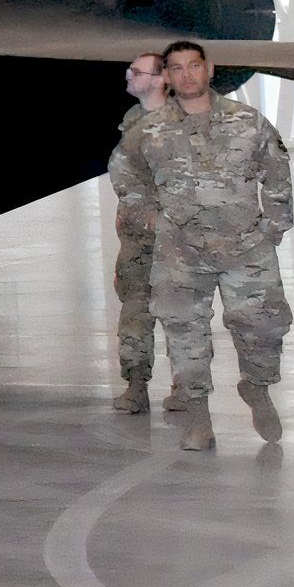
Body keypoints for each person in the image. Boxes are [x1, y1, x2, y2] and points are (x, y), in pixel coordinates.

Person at [110, 42, 292, 452]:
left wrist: (275, 226)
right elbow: (125, 176)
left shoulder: (247, 121)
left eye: (194, 66)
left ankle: (257, 386)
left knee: (263, 329)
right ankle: (199, 420)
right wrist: (150, 218)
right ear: (169, 77)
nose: (187, 75)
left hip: (245, 249)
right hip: (180, 252)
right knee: (185, 336)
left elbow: (277, 170)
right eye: (176, 68)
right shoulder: (149, 129)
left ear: (209, 70)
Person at [105, 51, 169, 414]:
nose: (128, 75)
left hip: (177, 241)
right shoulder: (132, 120)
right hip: (137, 242)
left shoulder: (182, 124)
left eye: (136, 71)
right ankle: (136, 386)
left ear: (159, 80)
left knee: (183, 319)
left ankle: (185, 390)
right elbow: (124, 179)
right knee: (135, 314)